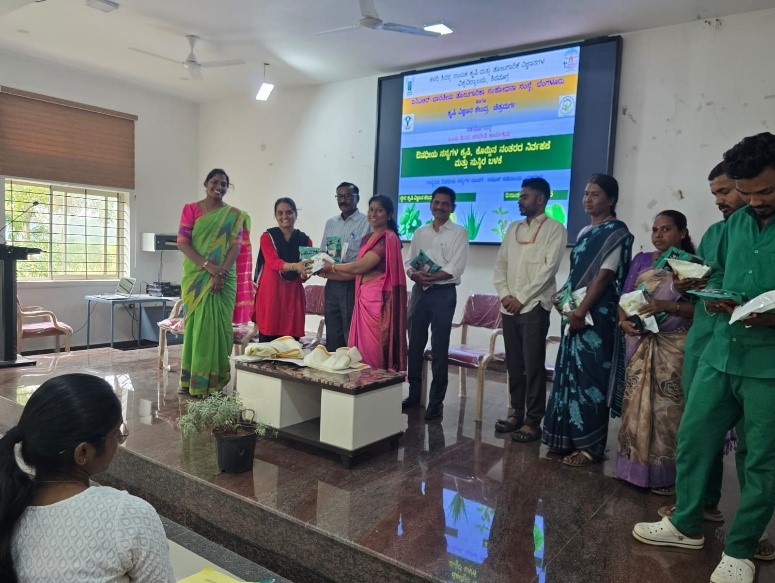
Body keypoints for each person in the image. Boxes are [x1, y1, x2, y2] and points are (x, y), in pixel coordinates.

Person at [633, 133, 775, 583]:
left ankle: (741, 548)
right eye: (746, 192)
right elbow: (724, 278)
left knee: (760, 459)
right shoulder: (735, 225)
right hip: (720, 353)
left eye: (766, 191)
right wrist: (709, 293)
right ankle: (686, 523)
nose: (755, 202)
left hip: (767, 365)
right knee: (694, 437)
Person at [0, 373, 174, 582]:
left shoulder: (9, 505)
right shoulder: (127, 517)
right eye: (116, 433)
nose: (119, 441)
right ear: (83, 453)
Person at [655, 163, 747, 525]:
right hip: (704, 341)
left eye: (726, 191)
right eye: (715, 195)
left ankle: (750, 529)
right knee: (697, 431)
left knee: (752, 446)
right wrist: (684, 284)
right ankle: (700, 505)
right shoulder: (715, 233)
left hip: (749, 346)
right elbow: (705, 278)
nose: (720, 201)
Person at [541, 173, 633, 467]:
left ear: (612, 199)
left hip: (597, 318)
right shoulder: (582, 234)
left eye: (595, 194)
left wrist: (580, 313)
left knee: (591, 378)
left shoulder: (616, 233)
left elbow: (604, 276)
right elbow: (575, 277)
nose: (587, 199)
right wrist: (564, 301)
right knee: (569, 375)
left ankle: (590, 447)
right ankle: (564, 438)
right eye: (585, 194)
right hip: (575, 313)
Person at [615, 210, 696, 494]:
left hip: (673, 345)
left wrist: (667, 305)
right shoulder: (641, 261)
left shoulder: (691, 266)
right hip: (640, 342)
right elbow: (626, 297)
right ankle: (632, 469)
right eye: (655, 229)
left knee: (667, 410)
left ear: (682, 233)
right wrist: (624, 321)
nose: (659, 235)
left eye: (666, 229)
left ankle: (666, 476)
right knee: (635, 406)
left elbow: (698, 310)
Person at [492, 177, 567, 441]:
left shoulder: (555, 228)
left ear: (541, 199)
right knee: (514, 364)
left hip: (534, 306)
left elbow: (549, 270)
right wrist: (505, 295)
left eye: (525, 196)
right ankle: (516, 413)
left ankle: (533, 421)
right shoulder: (512, 228)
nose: (519, 200)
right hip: (509, 307)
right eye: (520, 196)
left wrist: (521, 297)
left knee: (533, 365)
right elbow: (500, 266)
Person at [177, 168, 248, 397]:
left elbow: (236, 246)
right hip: (196, 277)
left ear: (228, 188)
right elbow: (182, 243)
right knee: (197, 328)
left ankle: (214, 382)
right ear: (206, 183)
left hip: (225, 277)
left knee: (218, 327)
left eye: (224, 183)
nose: (219, 186)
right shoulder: (191, 209)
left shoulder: (234, 215)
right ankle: (193, 380)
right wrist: (208, 266)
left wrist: (221, 272)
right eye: (214, 182)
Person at [402, 186, 469, 420]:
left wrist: (432, 277)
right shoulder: (420, 232)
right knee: (416, 345)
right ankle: (413, 395)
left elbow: (456, 267)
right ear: (431, 204)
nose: (440, 207)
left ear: (452, 207)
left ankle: (436, 402)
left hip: (444, 294)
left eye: (445, 204)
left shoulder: (459, 233)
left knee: (439, 348)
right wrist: (413, 274)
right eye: (436, 202)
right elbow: (409, 262)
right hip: (420, 292)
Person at [321, 195, 407, 372]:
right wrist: (325, 273)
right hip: (362, 299)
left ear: (389, 214)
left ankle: (375, 389)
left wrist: (332, 266)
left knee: (374, 350)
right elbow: (356, 275)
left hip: (378, 304)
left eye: (379, 210)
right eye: (371, 209)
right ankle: (359, 388)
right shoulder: (367, 239)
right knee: (359, 352)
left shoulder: (387, 239)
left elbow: (360, 267)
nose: (374, 214)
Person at [319, 182, 370, 351]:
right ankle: (334, 372)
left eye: (348, 196)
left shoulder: (366, 222)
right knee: (333, 333)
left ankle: (353, 375)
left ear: (357, 198)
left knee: (352, 334)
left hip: (353, 284)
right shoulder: (331, 223)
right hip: (332, 285)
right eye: (339, 196)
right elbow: (323, 253)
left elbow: (364, 261)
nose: (343, 200)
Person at [254, 197, 312, 342]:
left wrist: (306, 273)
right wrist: (296, 266)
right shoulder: (267, 237)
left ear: (295, 215)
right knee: (266, 349)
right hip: (270, 295)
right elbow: (274, 263)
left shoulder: (305, 240)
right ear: (276, 216)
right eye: (280, 213)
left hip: (292, 296)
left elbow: (304, 275)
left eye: (289, 212)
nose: (284, 216)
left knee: (290, 349)